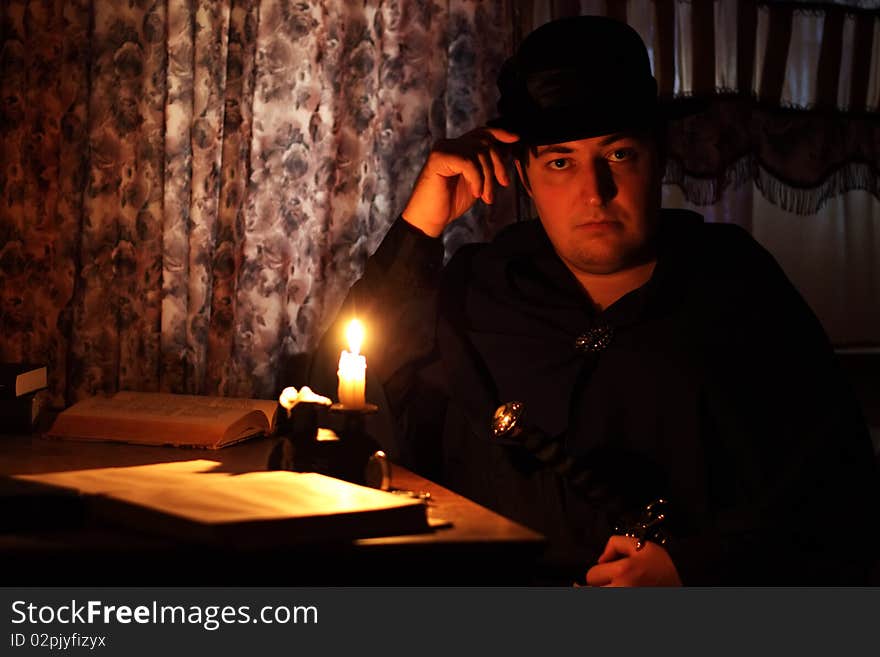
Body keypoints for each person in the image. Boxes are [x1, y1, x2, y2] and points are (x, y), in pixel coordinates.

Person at [310, 16, 880, 585]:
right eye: (561, 161)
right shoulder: (480, 284)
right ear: (527, 179)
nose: (594, 192)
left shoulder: (740, 287)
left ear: (657, 159)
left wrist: (693, 571)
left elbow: (835, 490)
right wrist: (420, 225)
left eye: (618, 155)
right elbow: (337, 396)